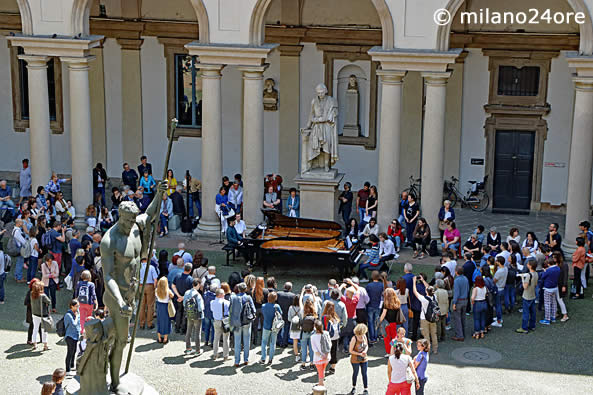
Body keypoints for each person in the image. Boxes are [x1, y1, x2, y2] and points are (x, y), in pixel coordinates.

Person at [230, 282, 256, 367]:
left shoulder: (233, 298)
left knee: (237, 342)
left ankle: (237, 361)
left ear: (238, 289)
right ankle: (246, 359)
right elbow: (253, 310)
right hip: (247, 321)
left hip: (237, 322)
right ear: (246, 289)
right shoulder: (248, 297)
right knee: (246, 341)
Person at [412, 277, 439, 354]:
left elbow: (415, 292)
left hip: (424, 318)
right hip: (433, 318)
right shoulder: (435, 297)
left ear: (426, 291)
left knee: (426, 335)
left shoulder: (423, 299)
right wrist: (423, 280)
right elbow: (428, 287)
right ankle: (435, 349)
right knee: (434, 334)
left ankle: (428, 350)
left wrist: (414, 282)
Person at [516, 260, 539, 334]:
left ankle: (524, 328)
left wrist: (522, 278)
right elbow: (535, 284)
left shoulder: (529, 275)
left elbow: (525, 287)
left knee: (525, 313)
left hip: (526, 295)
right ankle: (532, 326)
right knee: (533, 312)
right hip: (532, 294)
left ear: (530, 266)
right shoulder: (536, 273)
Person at [259, 291, 282, 364]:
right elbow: (281, 314)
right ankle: (270, 359)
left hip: (266, 326)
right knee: (273, 343)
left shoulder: (263, 306)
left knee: (264, 342)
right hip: (274, 327)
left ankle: (263, 358)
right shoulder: (277, 306)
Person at [379, 288, 402, 357]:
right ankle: (395, 350)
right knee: (394, 337)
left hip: (386, 323)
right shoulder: (397, 302)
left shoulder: (385, 303)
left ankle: (389, 352)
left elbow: (383, 314)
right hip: (393, 323)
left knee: (386, 338)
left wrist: (379, 321)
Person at [183, 278, 204, 355]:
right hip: (197, 316)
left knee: (188, 331)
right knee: (197, 333)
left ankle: (188, 348)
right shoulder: (198, 295)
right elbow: (201, 308)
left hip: (189, 314)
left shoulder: (187, 292)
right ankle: (197, 350)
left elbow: (184, 303)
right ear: (198, 284)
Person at [172, 262, 194, 334]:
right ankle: (183, 329)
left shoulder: (177, 276)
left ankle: (177, 328)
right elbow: (191, 291)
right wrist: (183, 297)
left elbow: (173, 286)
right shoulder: (190, 279)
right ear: (190, 270)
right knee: (185, 313)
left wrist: (178, 296)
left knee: (178, 312)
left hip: (178, 298)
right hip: (186, 299)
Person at [348, 323, 369, 395]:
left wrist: (364, 351)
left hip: (364, 358)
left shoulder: (364, 336)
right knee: (355, 373)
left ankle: (366, 389)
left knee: (364, 373)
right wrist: (359, 354)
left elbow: (366, 345)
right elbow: (350, 351)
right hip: (355, 359)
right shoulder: (354, 338)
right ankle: (354, 387)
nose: (362, 335)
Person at [540, 256, 561, 325]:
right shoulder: (558, 268)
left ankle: (547, 319)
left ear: (549, 264)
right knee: (554, 303)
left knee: (547, 304)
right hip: (555, 287)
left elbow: (543, 276)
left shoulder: (549, 270)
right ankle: (553, 317)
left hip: (548, 288)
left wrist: (544, 271)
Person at [211, 287, 230, 360]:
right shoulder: (226, 302)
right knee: (226, 338)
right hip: (225, 321)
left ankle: (215, 354)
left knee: (216, 338)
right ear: (221, 294)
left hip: (216, 321)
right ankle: (225, 355)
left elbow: (212, 310)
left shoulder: (212, 302)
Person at [30, 282, 50, 351]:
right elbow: (49, 302)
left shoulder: (32, 294)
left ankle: (34, 343)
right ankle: (45, 345)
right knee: (44, 330)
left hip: (35, 314)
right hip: (43, 314)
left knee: (35, 329)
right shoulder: (43, 296)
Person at [139, 258, 158, 330]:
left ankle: (141, 323)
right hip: (150, 286)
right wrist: (154, 287)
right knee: (150, 305)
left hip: (141, 286)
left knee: (142, 306)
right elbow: (155, 279)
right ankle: (149, 323)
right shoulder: (151, 267)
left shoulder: (139, 267)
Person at [365, 271, 384, 344]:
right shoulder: (381, 285)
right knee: (376, 321)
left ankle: (372, 337)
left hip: (370, 305)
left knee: (370, 322)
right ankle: (376, 336)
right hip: (378, 305)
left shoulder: (369, 286)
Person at [311, 319, 331, 387]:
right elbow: (330, 344)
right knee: (323, 370)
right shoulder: (326, 333)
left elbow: (315, 349)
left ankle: (321, 384)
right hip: (327, 356)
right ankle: (321, 383)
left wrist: (321, 356)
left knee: (320, 372)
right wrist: (326, 355)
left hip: (318, 358)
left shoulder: (313, 337)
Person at [451, 266, 469, 341]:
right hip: (465, 300)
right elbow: (468, 289)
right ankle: (463, 333)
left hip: (459, 301)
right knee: (463, 317)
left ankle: (459, 335)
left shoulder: (456, 280)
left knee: (457, 319)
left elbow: (456, 293)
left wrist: (454, 303)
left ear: (456, 272)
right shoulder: (466, 279)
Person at [276, 282, 296, 348]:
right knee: (286, 329)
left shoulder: (278, 293)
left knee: (279, 328)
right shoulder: (293, 295)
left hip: (280, 314)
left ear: (284, 286)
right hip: (288, 314)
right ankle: (284, 342)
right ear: (290, 288)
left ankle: (279, 341)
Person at [155, 276, 174, 343]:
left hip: (159, 306)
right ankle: (165, 339)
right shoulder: (168, 291)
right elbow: (172, 296)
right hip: (166, 307)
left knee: (159, 322)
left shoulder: (157, 290)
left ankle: (159, 338)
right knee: (166, 322)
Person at [64, 299, 80, 373]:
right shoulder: (68, 315)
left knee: (74, 351)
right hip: (69, 336)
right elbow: (74, 324)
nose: (78, 308)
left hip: (76, 335)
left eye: (78, 306)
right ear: (72, 306)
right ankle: (67, 370)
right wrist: (76, 317)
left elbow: (78, 324)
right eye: (76, 306)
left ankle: (72, 366)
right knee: (69, 352)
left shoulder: (77, 312)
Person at [492, 257, 508, 327]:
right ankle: (499, 318)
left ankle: (499, 320)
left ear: (498, 262)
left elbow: (494, 281)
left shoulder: (499, 272)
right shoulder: (505, 268)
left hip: (498, 289)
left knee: (498, 305)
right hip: (502, 288)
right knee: (499, 305)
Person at [287, 295, 302, 362]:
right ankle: (304, 354)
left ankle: (296, 356)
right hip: (301, 326)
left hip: (293, 325)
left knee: (294, 342)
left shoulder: (291, 307)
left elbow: (289, 318)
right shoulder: (302, 308)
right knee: (303, 341)